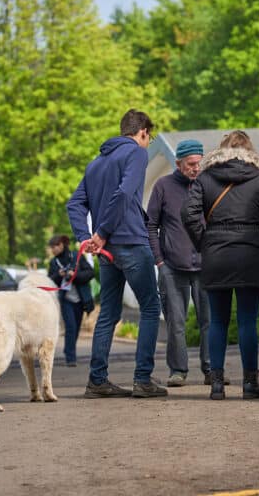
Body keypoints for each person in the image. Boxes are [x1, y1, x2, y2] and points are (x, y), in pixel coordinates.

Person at [66, 109, 166, 398]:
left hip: (107, 251)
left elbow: (74, 204)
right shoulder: (135, 154)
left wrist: (86, 238)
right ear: (143, 132)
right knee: (150, 307)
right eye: (150, 137)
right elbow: (123, 194)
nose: (148, 143)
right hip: (131, 241)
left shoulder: (96, 163)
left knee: (109, 312)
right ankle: (143, 379)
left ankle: (97, 380)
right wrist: (102, 233)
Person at [181, 130, 259, 400]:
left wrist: (204, 241)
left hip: (216, 253)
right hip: (249, 251)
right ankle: (250, 384)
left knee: (217, 321)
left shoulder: (205, 177)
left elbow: (188, 212)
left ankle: (217, 384)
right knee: (247, 322)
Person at [146, 139, 212, 387]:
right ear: (178, 163)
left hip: (206, 266)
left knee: (210, 321)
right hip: (172, 267)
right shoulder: (163, 186)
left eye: (199, 163)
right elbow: (151, 225)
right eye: (191, 164)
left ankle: (211, 369)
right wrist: (159, 261)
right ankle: (178, 371)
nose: (196, 168)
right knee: (176, 322)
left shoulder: (208, 185)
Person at [47, 235, 95, 367]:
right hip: (65, 299)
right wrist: (59, 275)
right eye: (51, 247)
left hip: (80, 299)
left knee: (76, 328)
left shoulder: (77, 256)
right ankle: (70, 357)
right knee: (71, 327)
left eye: (54, 246)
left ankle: (69, 350)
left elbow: (90, 273)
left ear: (62, 245)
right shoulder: (53, 263)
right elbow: (49, 280)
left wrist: (74, 275)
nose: (53, 250)